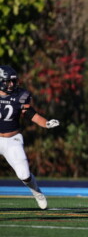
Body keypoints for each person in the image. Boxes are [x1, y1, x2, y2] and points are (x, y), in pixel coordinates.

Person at [0, 65, 60, 210]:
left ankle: (37, 192)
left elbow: (31, 114)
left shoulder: (19, 96)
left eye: (14, 81)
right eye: (9, 81)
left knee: (24, 174)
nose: (12, 84)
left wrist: (46, 123)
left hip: (12, 139)